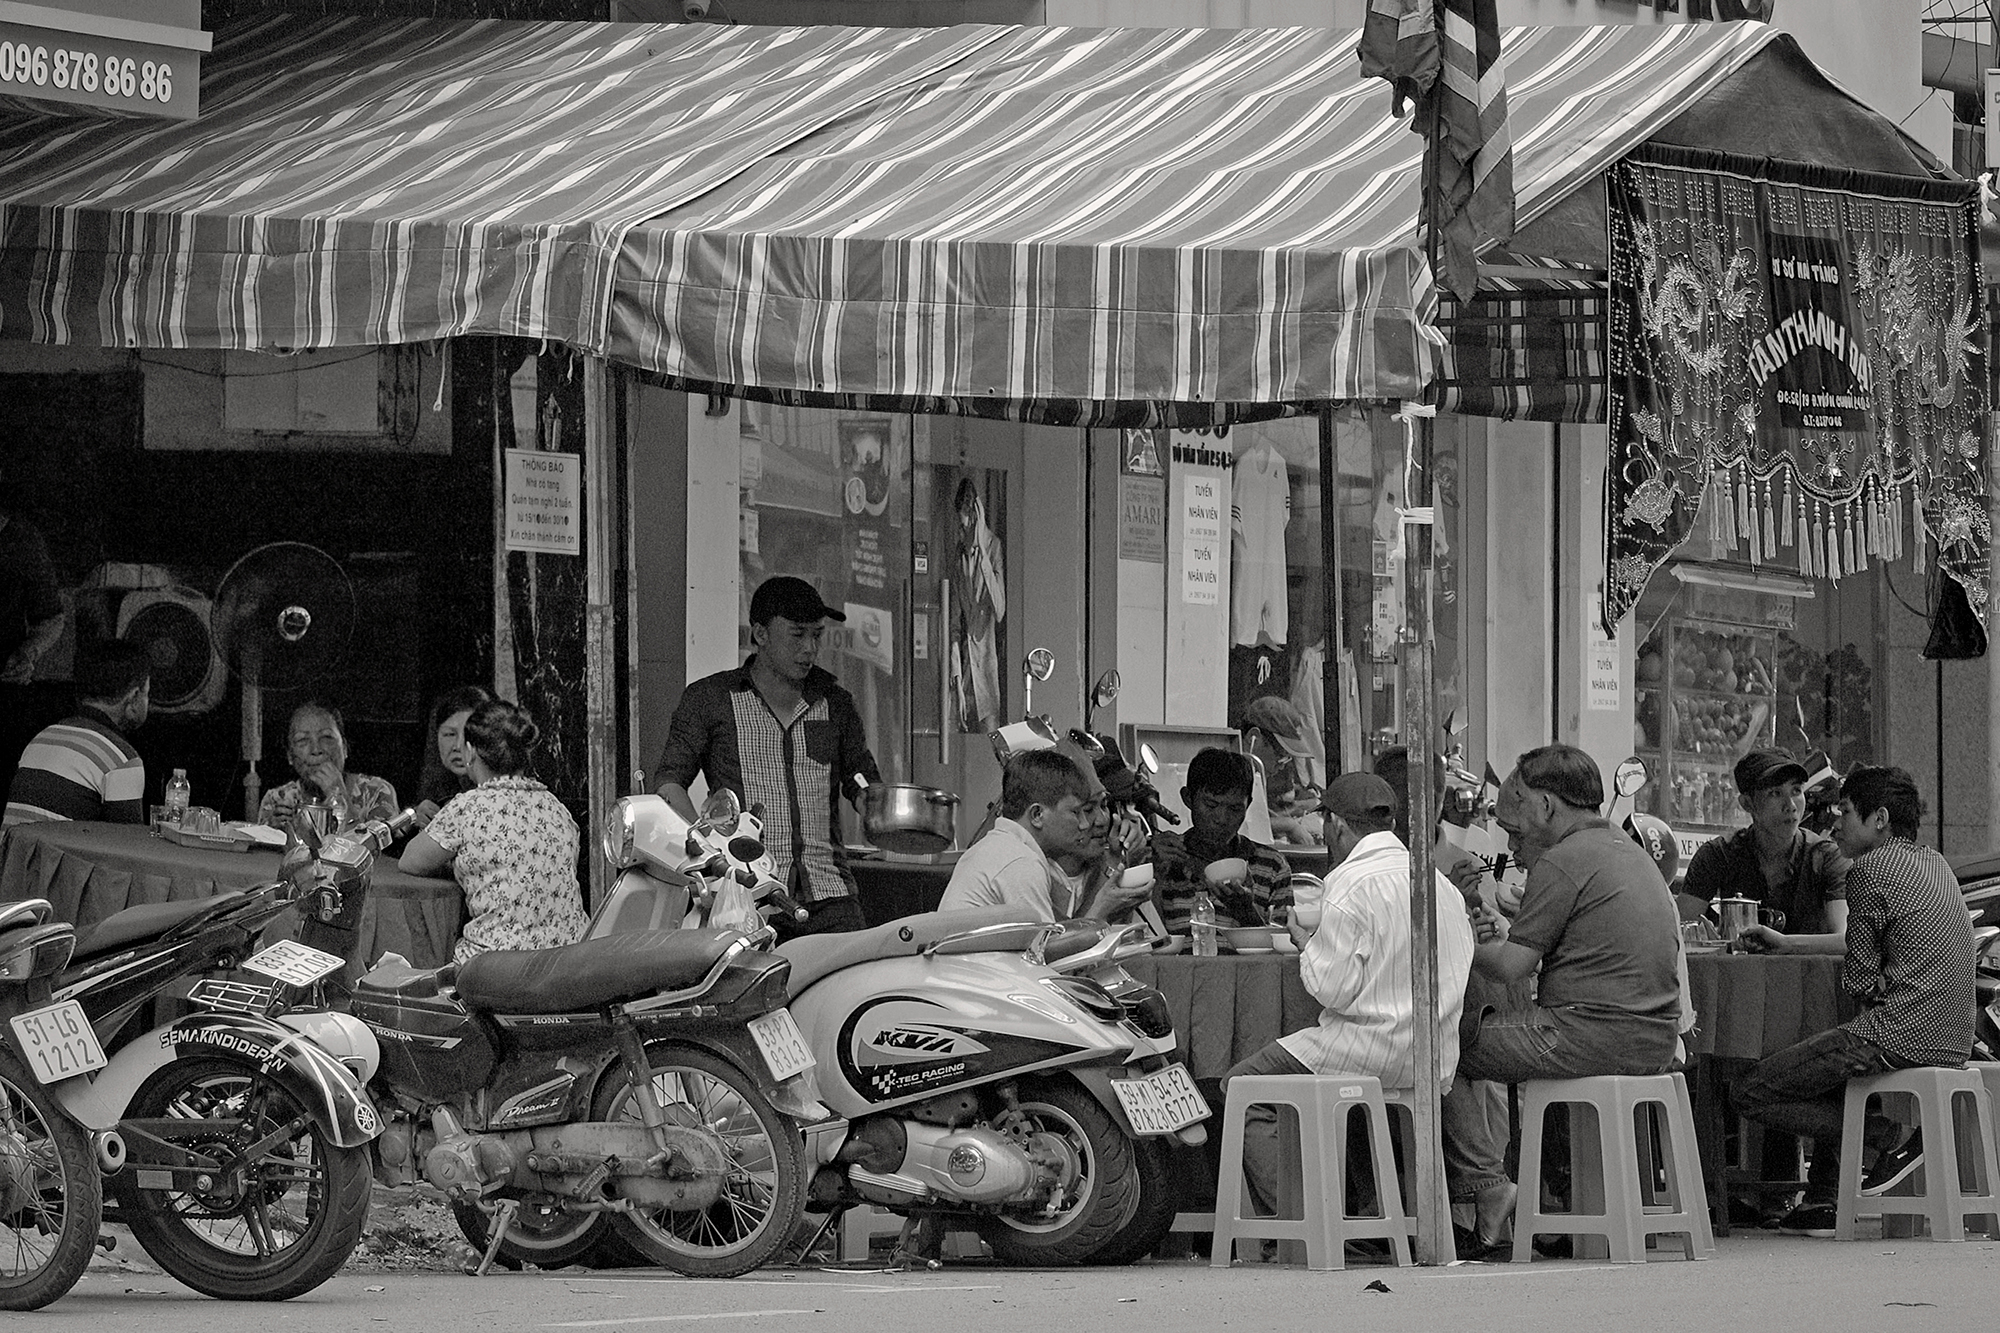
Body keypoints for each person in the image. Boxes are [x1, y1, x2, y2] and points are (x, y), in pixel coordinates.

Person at [1447, 745, 1685, 1245]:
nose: (1512, 845)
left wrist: (1452, 937)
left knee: (1437, 1043)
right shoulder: (1625, 850)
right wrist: (1501, 934)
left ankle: (1489, 1188)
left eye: (1516, 830)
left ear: (1546, 805)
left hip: (1585, 1036)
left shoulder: (1562, 860)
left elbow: (1511, 966)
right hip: (1654, 1039)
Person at [1731, 766, 1976, 1238]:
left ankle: (1893, 1138)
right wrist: (1788, 943)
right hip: (1953, 1037)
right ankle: (1833, 1189)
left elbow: (1858, 979)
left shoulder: (1868, 871)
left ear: (1878, 818)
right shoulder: (1934, 863)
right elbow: (1862, 946)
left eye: (1844, 813)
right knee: (1824, 1077)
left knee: (1749, 1091)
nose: (1834, 824)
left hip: (1898, 1033)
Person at [1218, 772, 1476, 1217]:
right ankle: (1358, 1225)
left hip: (1368, 1049)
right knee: (1344, 1103)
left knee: (1242, 1088)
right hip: (1433, 1057)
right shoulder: (1439, 884)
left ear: (1335, 825)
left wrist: (1307, 945)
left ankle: (1303, 1227)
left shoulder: (1348, 883)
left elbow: (1333, 990)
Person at [656, 576, 880, 937]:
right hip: (746, 895)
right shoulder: (711, 699)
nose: (810, 649)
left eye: (817, 636)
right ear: (761, 634)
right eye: (797, 635)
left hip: (832, 895)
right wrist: (709, 852)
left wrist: (878, 807)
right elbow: (669, 783)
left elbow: (862, 779)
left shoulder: (835, 703)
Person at [400, 700, 592, 963]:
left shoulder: (467, 806)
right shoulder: (556, 808)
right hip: (570, 960)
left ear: (470, 752)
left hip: (498, 965)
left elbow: (411, 861)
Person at [939, 750, 1154, 923]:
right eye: (1077, 812)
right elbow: (1044, 957)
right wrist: (1101, 909)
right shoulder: (1020, 861)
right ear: (1037, 815)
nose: (1085, 824)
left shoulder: (1000, 847)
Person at [1681, 748, 1850, 938]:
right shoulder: (1717, 855)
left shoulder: (1827, 857)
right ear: (1747, 804)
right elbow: (1681, 930)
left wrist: (1783, 945)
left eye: (1796, 791)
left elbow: (1844, 939)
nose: (1790, 806)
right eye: (1775, 793)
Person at [4, 641, 150, 827]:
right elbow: (127, 840)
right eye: (147, 693)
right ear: (134, 697)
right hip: (58, 848)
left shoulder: (42, 738)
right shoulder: (121, 760)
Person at [1148, 748, 1291, 936]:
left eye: (1234, 809)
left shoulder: (1271, 866)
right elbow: (1147, 938)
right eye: (1211, 805)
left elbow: (1285, 946)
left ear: (1248, 805)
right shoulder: (1163, 859)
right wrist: (1156, 876)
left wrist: (1246, 913)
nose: (1222, 819)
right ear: (1188, 798)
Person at [257, 701, 400, 831]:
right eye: (302, 740)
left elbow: (375, 848)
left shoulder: (377, 792)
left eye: (326, 737)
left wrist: (339, 797)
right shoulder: (276, 798)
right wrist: (274, 832)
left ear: (345, 748)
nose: (316, 750)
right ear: (290, 756)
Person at [950, 479, 1006, 733]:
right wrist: (956, 677)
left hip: (985, 670)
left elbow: (1000, 609)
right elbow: (953, 623)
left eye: (964, 524)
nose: (962, 531)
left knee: (991, 737)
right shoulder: (959, 555)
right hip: (963, 670)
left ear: (974, 517)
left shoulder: (993, 548)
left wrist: (983, 555)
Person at [413, 685, 493, 827]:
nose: (458, 746)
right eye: (449, 734)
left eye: (468, 735)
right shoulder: (437, 792)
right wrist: (415, 818)